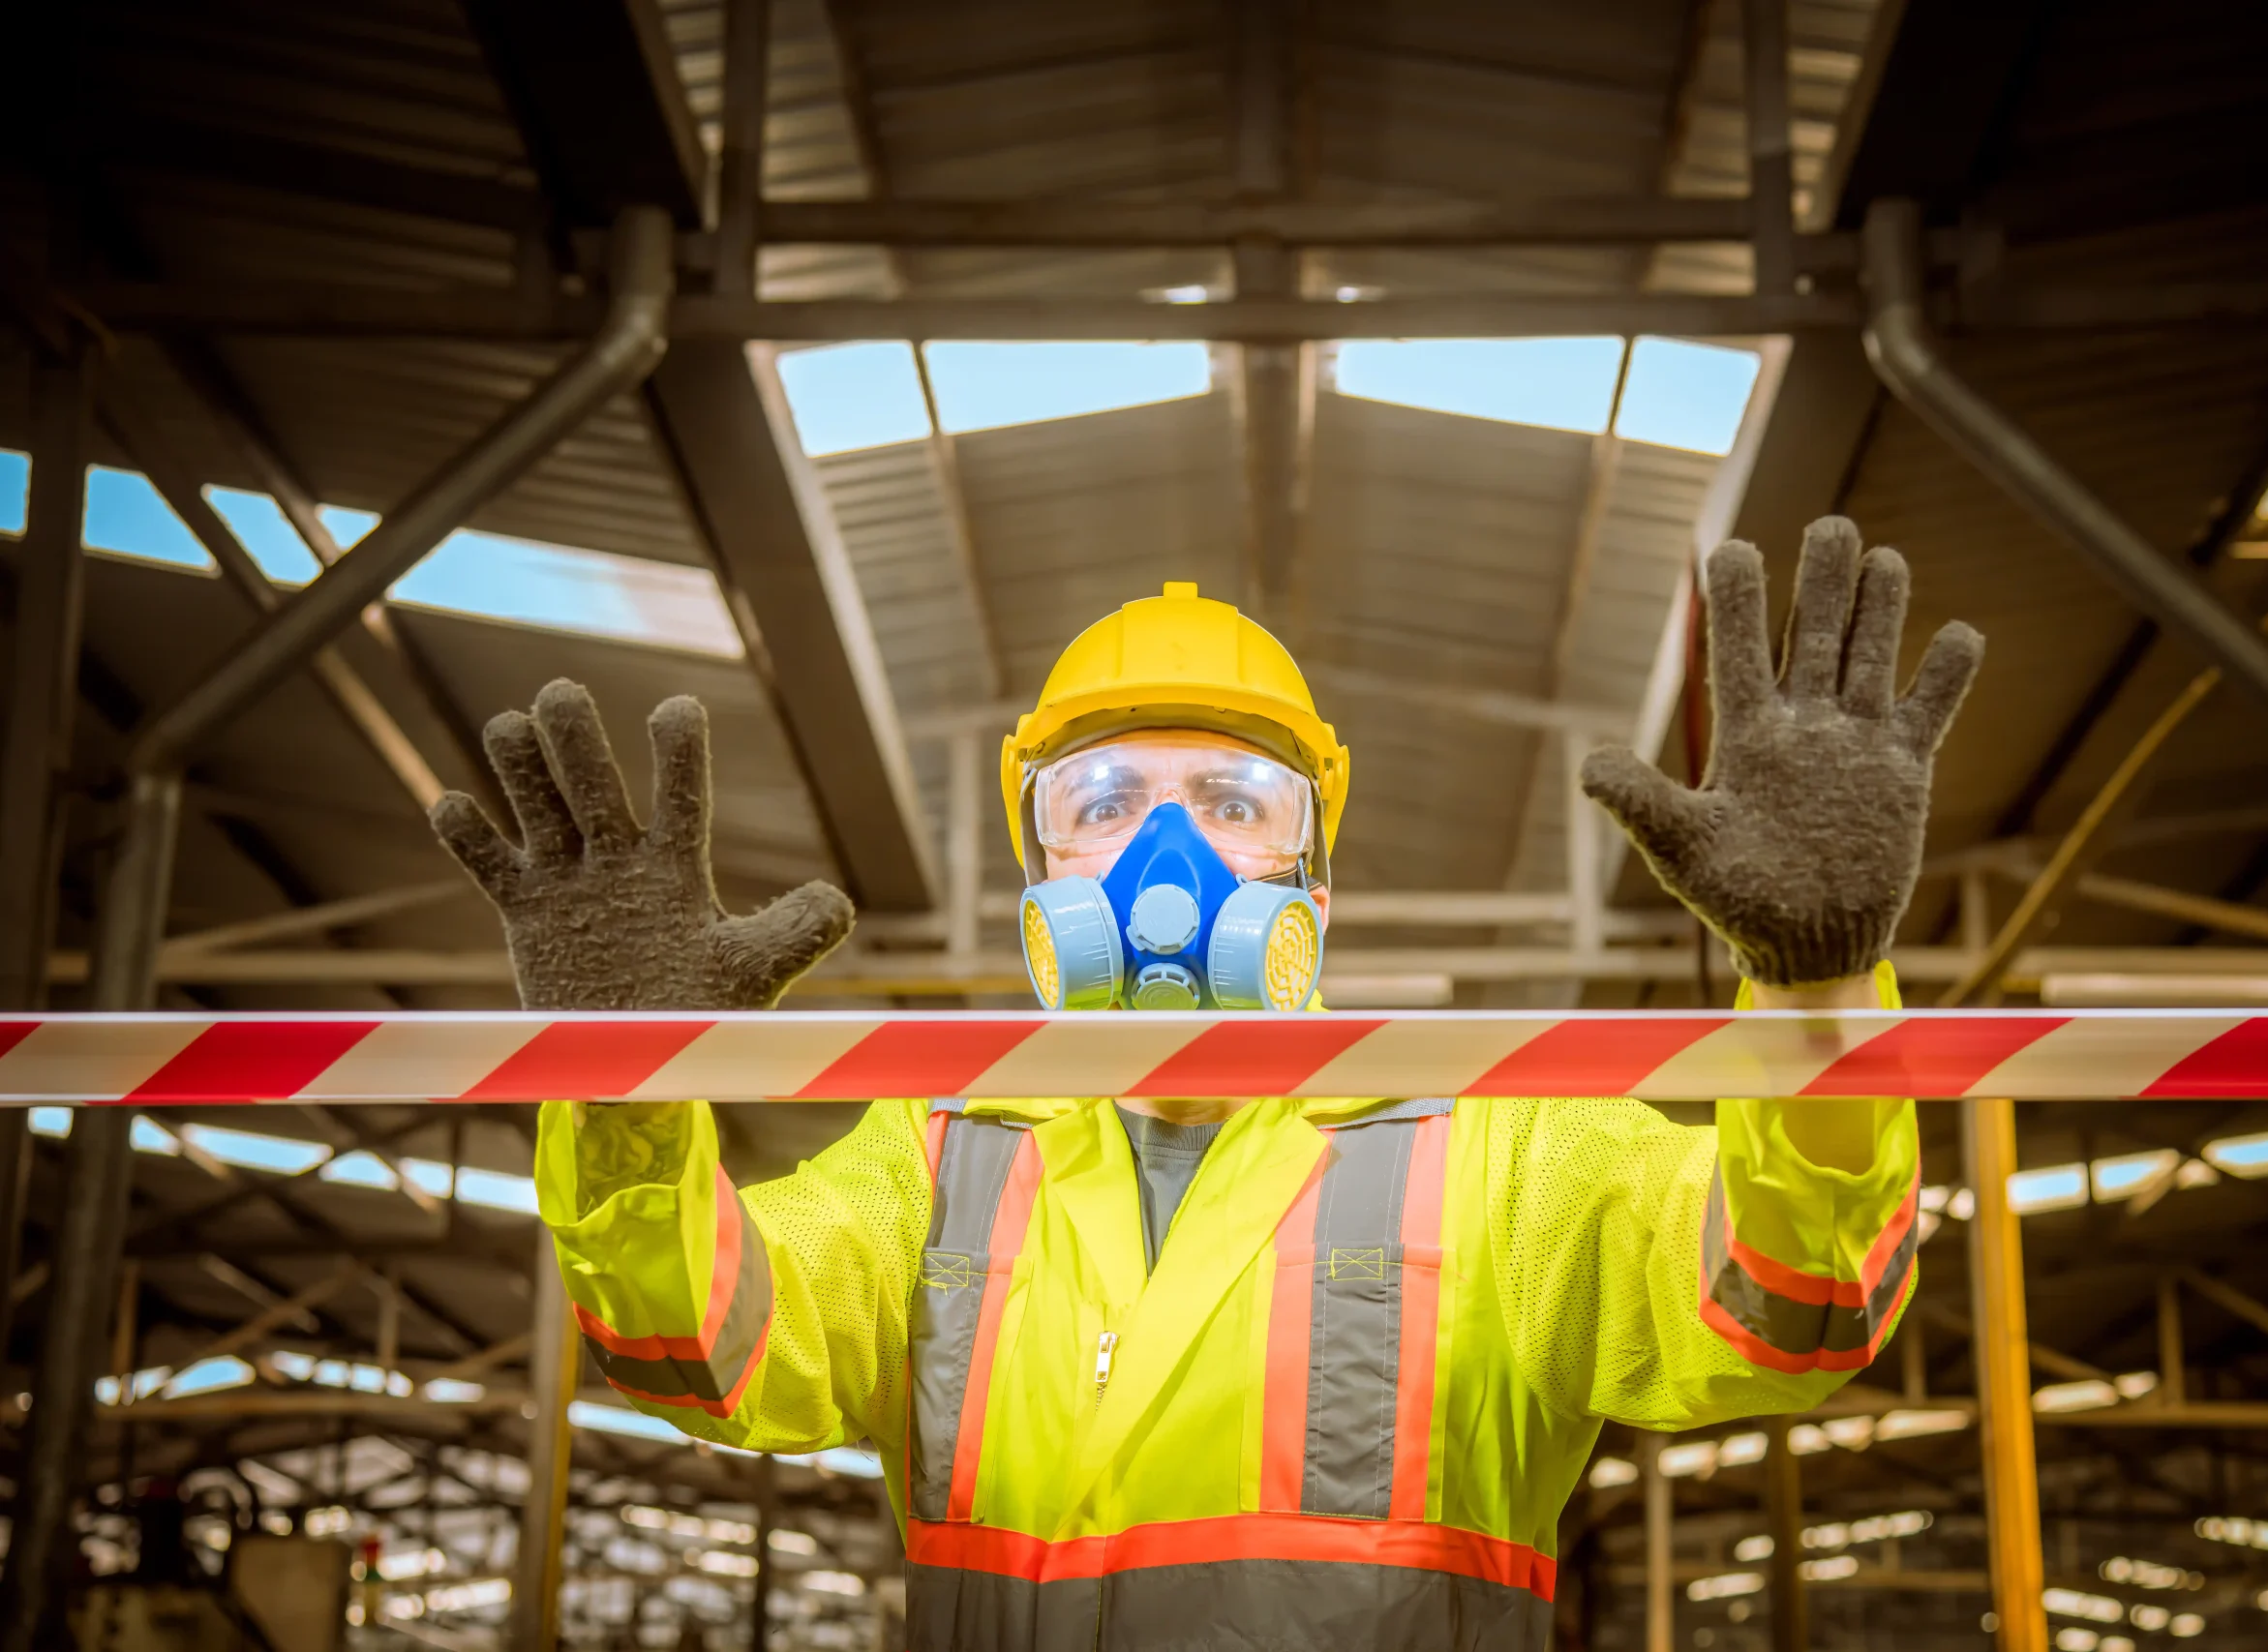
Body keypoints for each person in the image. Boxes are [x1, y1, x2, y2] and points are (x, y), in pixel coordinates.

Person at [430, 517, 1981, 1651]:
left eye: (1235, 798)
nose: (1164, 853)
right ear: (1039, 855)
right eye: (1099, 799)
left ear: (1312, 859)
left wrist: (1820, 996)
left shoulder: (1496, 1143)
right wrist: (624, 1080)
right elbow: (692, 1347)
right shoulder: (937, 1158)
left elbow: (1792, 1308)